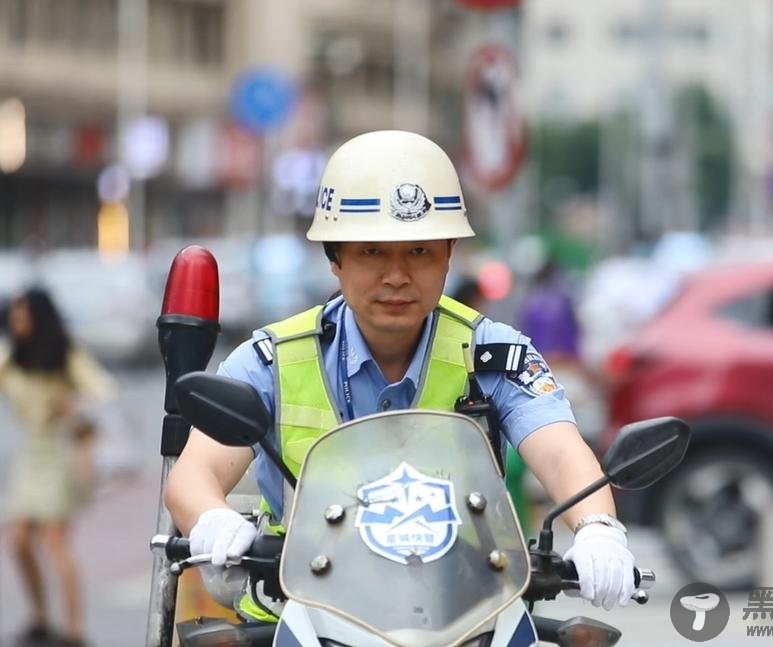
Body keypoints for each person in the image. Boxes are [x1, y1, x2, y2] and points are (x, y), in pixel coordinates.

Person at [165, 130, 636, 620]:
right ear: (335, 258)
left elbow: (560, 449)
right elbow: (193, 474)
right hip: (299, 618)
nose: (396, 275)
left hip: (463, 616)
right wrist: (213, 522)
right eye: (372, 252)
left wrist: (598, 528)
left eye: (419, 252)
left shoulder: (494, 352)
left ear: (450, 254)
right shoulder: (271, 359)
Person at [2, 287, 114, 647]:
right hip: (32, 454)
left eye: (22, 316)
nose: (16, 322)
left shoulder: (65, 353)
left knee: (55, 539)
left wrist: (74, 406)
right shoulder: (11, 358)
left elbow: (103, 394)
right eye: (13, 316)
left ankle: (74, 629)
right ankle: (39, 617)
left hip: (63, 451)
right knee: (18, 540)